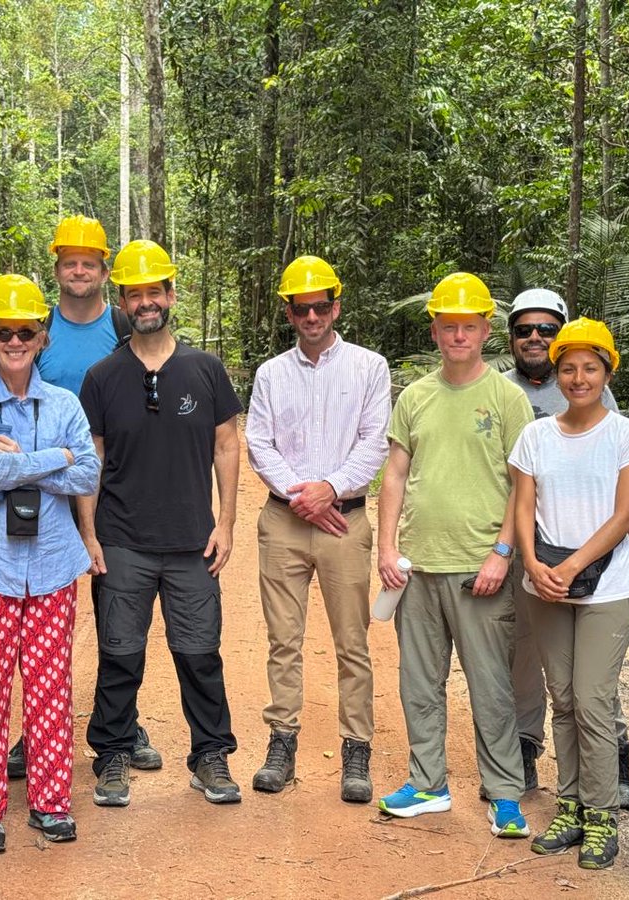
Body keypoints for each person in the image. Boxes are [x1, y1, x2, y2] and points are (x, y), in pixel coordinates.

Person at [79, 239, 244, 807]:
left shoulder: (205, 369)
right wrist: (90, 534)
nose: (146, 302)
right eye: (134, 294)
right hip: (122, 540)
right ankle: (114, 752)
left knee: (199, 652)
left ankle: (210, 756)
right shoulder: (102, 377)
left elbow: (227, 445)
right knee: (120, 652)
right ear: (121, 302)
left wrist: (226, 522)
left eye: (155, 291)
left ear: (171, 295)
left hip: (191, 540)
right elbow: (92, 460)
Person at [376, 272, 534, 839]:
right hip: (418, 566)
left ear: (485, 330)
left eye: (469, 326)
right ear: (436, 329)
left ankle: (503, 793)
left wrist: (502, 553)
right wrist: (387, 547)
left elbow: (523, 485)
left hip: (481, 567)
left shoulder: (507, 398)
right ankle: (427, 782)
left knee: (490, 684)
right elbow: (394, 474)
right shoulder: (415, 396)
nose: (459, 335)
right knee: (420, 681)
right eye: (449, 326)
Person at [6, 214, 161, 781]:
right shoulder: (36, 328)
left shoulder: (123, 324)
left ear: (103, 270)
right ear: (58, 268)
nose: (78, 270)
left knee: (118, 608)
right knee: (40, 614)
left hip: (112, 486)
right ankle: (38, 730)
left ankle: (123, 721)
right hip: (45, 490)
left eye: (89, 262)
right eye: (69, 261)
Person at [0, 275, 101, 855]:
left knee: (49, 689)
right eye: (2, 331)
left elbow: (87, 474)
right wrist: (55, 458)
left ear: (42, 338)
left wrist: (30, 460)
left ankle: (50, 802)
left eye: (26, 331)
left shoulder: (64, 403)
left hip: (53, 567)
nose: (15, 341)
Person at [245, 255, 390, 803]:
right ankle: (282, 742)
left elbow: (375, 441)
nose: (312, 316)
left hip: (344, 522)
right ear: (288, 312)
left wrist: (329, 488)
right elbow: (259, 442)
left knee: (352, 642)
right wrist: (301, 497)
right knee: (284, 641)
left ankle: (357, 751)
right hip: (284, 521)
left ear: (337, 303)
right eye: (301, 308)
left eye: (321, 305)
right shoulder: (271, 373)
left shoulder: (369, 367)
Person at [509, 318, 629, 869]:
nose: (577, 377)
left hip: (606, 588)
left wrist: (569, 565)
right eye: (568, 367)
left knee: (592, 700)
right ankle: (569, 803)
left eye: (590, 367)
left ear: (606, 372)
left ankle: (602, 814)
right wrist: (531, 561)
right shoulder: (536, 435)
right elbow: (524, 506)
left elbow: (624, 514)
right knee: (562, 698)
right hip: (545, 583)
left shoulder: (627, 434)